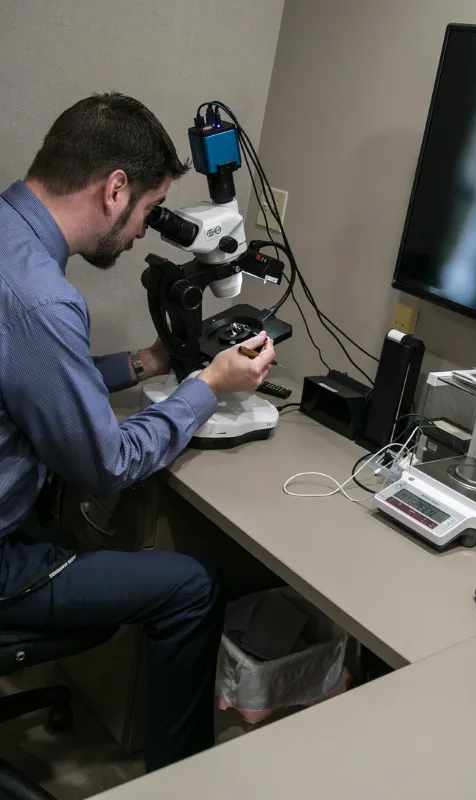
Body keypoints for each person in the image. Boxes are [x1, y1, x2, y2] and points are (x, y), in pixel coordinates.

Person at [0, 93, 276, 771]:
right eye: (149, 213)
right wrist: (206, 387)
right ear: (114, 188)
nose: (139, 235)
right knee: (191, 585)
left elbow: (28, 375)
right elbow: (109, 464)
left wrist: (145, 363)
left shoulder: (11, 243)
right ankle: (179, 780)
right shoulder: (42, 297)